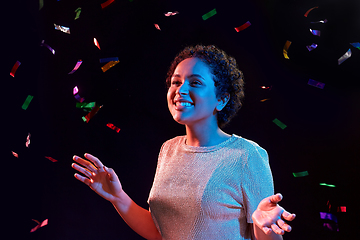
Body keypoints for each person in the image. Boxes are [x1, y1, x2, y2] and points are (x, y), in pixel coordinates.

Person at [72, 45, 296, 240]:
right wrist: (117, 196)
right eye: (175, 82)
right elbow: (161, 232)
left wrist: (265, 227)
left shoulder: (247, 155)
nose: (181, 90)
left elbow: (267, 235)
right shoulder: (168, 150)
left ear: (221, 99)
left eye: (195, 82)